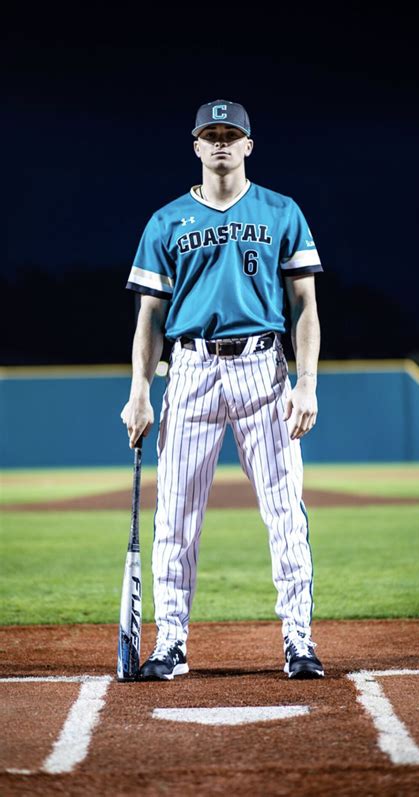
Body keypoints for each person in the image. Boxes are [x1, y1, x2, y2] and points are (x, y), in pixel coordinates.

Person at [121, 99, 324, 681]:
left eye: (230, 135)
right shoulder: (165, 221)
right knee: (177, 517)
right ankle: (171, 642)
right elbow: (149, 319)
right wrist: (139, 391)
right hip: (189, 371)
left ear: (248, 145)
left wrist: (305, 382)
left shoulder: (282, 212)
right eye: (210, 134)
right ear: (195, 145)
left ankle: (298, 640)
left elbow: (305, 306)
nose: (220, 144)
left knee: (285, 511)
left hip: (265, 368)